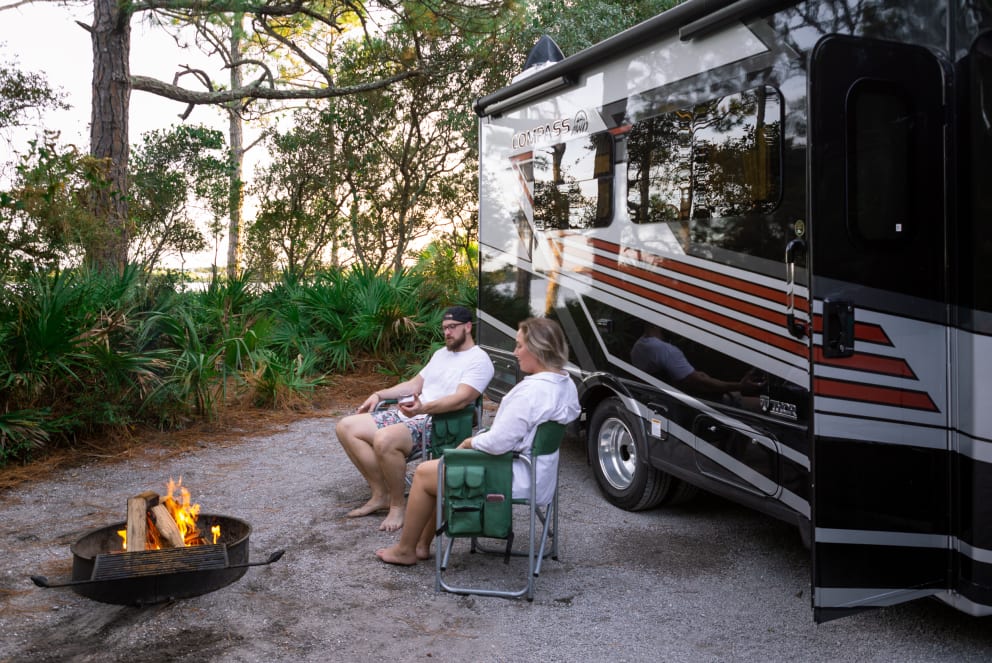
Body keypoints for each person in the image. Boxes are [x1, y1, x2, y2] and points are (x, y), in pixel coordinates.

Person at [376, 317, 579, 566]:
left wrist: (470, 443)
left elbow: (498, 443)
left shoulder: (531, 392)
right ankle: (420, 545)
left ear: (538, 349)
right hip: (540, 473)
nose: (515, 352)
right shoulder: (564, 383)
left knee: (425, 472)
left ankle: (405, 550)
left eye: (519, 346)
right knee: (438, 471)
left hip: (511, 474)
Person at [335, 306, 494, 532]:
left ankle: (398, 506)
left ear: (468, 327)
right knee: (346, 426)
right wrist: (379, 394)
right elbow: (413, 385)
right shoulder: (441, 354)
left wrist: (422, 409)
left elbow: (461, 399)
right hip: (414, 414)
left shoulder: (479, 360)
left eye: (452, 328)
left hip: (439, 422)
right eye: (444, 328)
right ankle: (382, 494)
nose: (447, 333)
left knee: (384, 439)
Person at [630, 323, 765, 400]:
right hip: (689, 404)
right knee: (758, 407)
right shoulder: (666, 350)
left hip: (658, 399)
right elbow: (703, 384)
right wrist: (741, 386)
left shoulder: (637, 347)